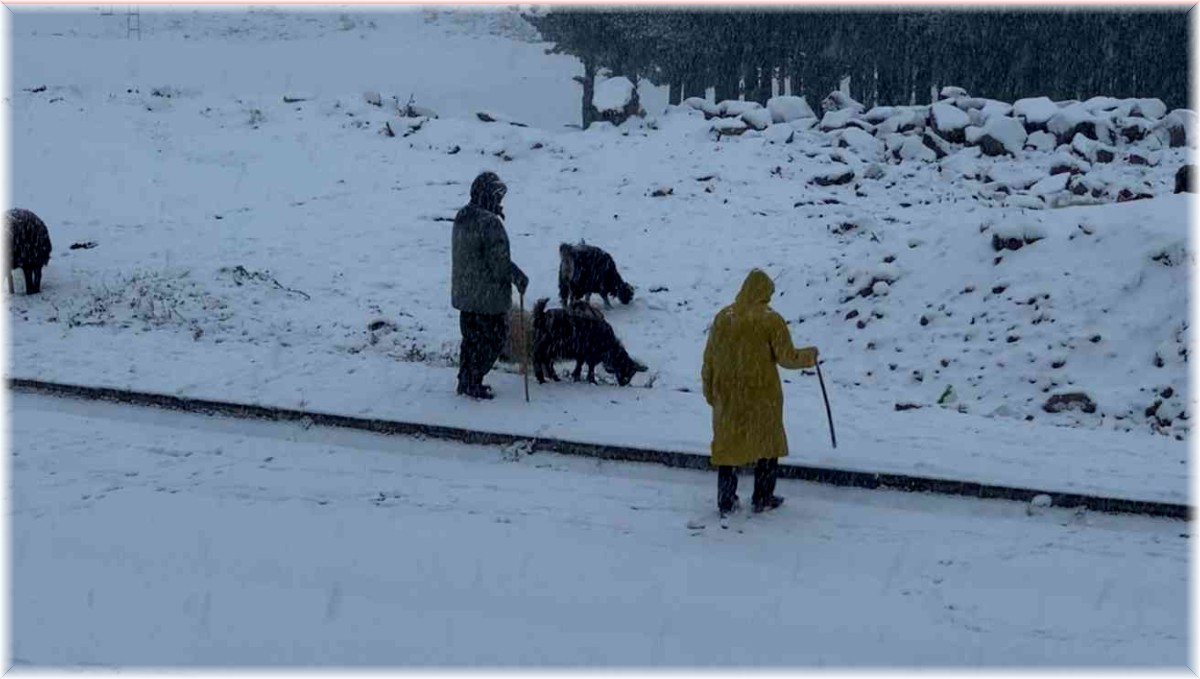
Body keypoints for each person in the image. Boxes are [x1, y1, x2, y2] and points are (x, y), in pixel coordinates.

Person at [701, 268, 819, 517]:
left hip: (729, 396)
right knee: (767, 446)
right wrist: (810, 357)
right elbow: (787, 358)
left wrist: (709, 389)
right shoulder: (770, 319)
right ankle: (762, 496)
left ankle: (726, 500)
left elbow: (709, 357)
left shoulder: (724, 316)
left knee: (728, 447)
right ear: (764, 292)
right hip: (761, 396)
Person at [451, 171, 529, 399]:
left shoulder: (463, 216)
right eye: (497, 197)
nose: (500, 202)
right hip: (487, 298)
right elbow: (499, 263)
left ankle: (465, 380)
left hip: (465, 294)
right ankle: (474, 381)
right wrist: (518, 277)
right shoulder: (489, 223)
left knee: (471, 340)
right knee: (492, 340)